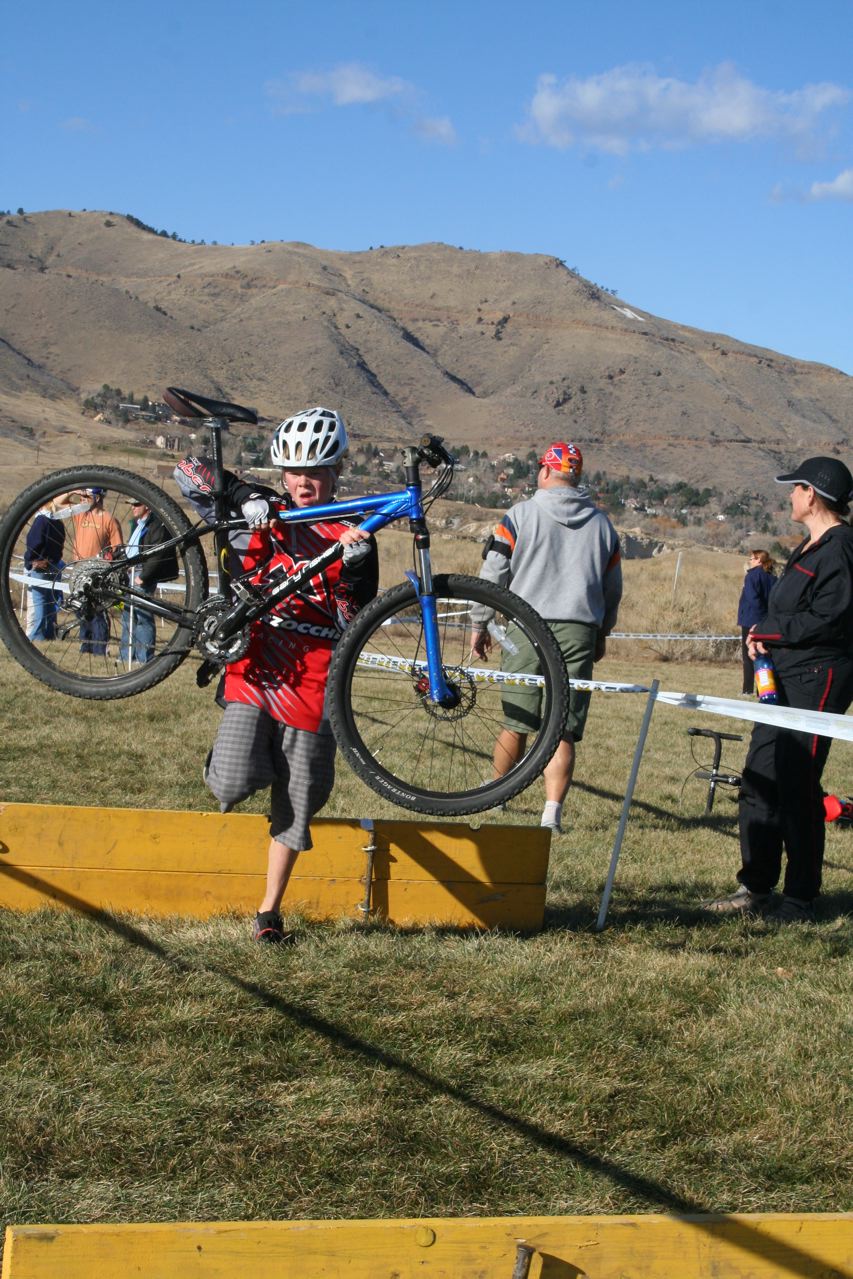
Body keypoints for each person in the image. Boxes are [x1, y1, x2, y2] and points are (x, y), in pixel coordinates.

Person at [174, 406, 378, 944]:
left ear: (337, 471)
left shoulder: (356, 531)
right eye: (293, 472)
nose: (303, 482)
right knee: (230, 782)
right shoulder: (262, 508)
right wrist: (246, 496)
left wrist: (356, 567)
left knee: (298, 802)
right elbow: (186, 471)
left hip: (315, 679)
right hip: (256, 669)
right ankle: (232, 761)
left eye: (315, 472)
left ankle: (269, 913)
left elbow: (355, 618)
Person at [707, 456, 853, 922]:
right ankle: (756, 888)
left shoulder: (841, 549)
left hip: (819, 677)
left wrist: (770, 631)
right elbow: (787, 612)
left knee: (798, 785)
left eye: (795, 487)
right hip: (783, 675)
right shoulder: (807, 547)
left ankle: (800, 898)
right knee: (760, 777)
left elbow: (830, 618)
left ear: (813, 494)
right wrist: (762, 639)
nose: (790, 494)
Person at [471, 441, 622, 834]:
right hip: (578, 630)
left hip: (525, 625)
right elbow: (612, 590)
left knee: (516, 719)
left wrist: (480, 623)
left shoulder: (520, 515)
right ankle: (551, 813)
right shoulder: (603, 525)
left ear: (544, 471)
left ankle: (497, 794)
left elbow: (494, 573)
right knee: (561, 727)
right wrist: (601, 633)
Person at [64, 487, 123, 655]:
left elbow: (118, 549)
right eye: (82, 497)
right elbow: (59, 504)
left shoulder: (109, 519)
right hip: (79, 571)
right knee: (81, 610)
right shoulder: (80, 514)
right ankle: (86, 647)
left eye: (87, 496)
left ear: (97, 498)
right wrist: (74, 491)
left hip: (97, 573)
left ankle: (99, 649)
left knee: (98, 612)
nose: (82, 499)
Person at [119, 500, 179, 664]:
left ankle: (144, 657)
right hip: (130, 572)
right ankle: (126, 656)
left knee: (143, 615)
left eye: (136, 504)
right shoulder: (137, 524)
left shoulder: (157, 525)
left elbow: (157, 553)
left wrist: (144, 576)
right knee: (128, 615)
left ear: (147, 505)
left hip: (142, 575)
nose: (132, 507)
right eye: (131, 505)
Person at [24, 501, 66, 640]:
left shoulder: (41, 520)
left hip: (40, 565)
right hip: (54, 565)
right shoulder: (58, 523)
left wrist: (29, 561)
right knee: (50, 601)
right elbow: (60, 545)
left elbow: (33, 543)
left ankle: (37, 635)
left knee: (39, 600)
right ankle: (49, 632)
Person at [737, 548, 776, 694]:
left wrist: (759, 618)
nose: (750, 561)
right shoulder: (772, 577)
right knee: (764, 655)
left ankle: (747, 690)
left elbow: (753, 598)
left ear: (759, 560)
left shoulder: (752, 576)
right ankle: (763, 690)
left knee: (749, 656)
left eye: (752, 559)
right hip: (767, 621)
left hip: (751, 620)